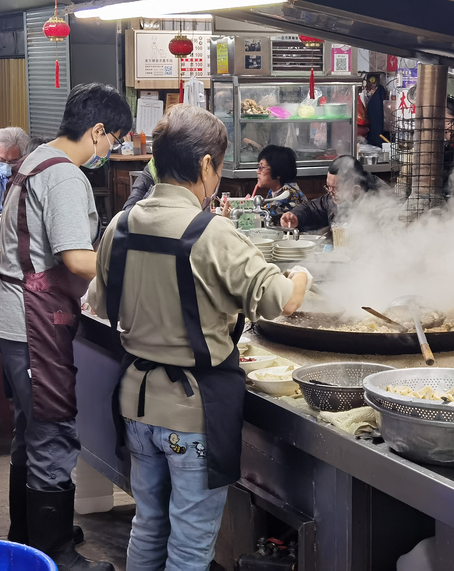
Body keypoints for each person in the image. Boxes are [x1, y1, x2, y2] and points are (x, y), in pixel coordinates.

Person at [86, 104, 309, 571]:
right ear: (206, 165)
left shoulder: (119, 227)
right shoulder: (213, 233)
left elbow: (101, 306)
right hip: (193, 412)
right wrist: (303, 272)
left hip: (136, 405)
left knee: (148, 525)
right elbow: (281, 301)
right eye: (220, 167)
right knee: (189, 546)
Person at [0, 83, 132, 571]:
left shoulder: (35, 158)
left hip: (16, 316)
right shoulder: (66, 176)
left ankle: (28, 534)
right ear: (96, 131)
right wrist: (134, 273)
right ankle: (54, 553)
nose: (111, 150)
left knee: (31, 429)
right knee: (53, 431)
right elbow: (75, 258)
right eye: (113, 139)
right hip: (32, 319)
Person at [280, 155, 386, 232]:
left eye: (335, 188)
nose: (330, 193)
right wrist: (295, 217)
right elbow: (312, 208)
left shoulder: (381, 202)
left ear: (356, 189)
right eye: (328, 186)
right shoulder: (333, 198)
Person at [255, 145, 307, 224]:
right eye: (258, 166)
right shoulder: (272, 191)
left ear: (278, 172)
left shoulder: (289, 193)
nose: (257, 171)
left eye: (262, 167)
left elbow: (263, 215)